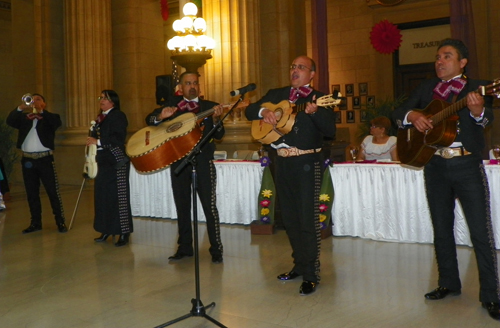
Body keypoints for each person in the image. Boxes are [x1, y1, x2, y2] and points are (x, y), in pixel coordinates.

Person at [392, 38, 500, 321]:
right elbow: (396, 113)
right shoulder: (426, 88)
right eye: (438, 57)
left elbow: (487, 118)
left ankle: (491, 295)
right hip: (435, 165)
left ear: (462, 63)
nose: (440, 61)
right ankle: (448, 283)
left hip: (466, 164)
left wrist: (477, 112)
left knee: (480, 232)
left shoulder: (477, 87)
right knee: (441, 228)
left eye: (447, 56)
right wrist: (413, 115)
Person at [245, 55, 336, 295]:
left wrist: (315, 113)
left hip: (307, 162)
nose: (295, 70)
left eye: (301, 67)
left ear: (312, 74)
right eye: (293, 66)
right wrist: (265, 111)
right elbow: (250, 110)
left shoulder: (319, 98)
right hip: (282, 163)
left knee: (307, 219)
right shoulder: (277, 93)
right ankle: (298, 265)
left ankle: (311, 273)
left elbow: (330, 130)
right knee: (290, 219)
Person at [145, 72, 225, 264]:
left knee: (209, 207)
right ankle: (185, 247)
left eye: (195, 83)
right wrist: (159, 117)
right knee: (182, 207)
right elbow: (148, 120)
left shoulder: (210, 106)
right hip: (179, 163)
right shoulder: (172, 104)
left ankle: (216, 248)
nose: (192, 86)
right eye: (188, 83)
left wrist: (215, 120)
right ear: (181, 87)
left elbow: (220, 134)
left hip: (203, 162)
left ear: (199, 86)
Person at [7, 93, 67, 233]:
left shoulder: (50, 117)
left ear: (44, 103)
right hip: (27, 160)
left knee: (52, 191)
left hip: (45, 159)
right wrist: (22, 107)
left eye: (38, 99)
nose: (34, 101)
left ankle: (60, 221)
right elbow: (10, 121)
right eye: (32, 99)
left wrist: (41, 111)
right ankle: (35, 222)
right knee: (31, 193)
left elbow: (56, 123)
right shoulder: (23, 118)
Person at [87, 90, 133, 247]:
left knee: (118, 198)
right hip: (102, 160)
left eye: (105, 98)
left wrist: (97, 141)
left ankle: (123, 232)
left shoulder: (118, 115)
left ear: (113, 101)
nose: (102, 100)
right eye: (100, 97)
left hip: (116, 161)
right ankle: (105, 229)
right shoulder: (99, 118)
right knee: (102, 197)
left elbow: (118, 138)